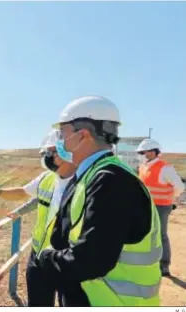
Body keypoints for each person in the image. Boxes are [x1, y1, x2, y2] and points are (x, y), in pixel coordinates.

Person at [36, 95, 162, 306]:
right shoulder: (92, 174)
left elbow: (92, 260)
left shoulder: (112, 181)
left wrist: (47, 259)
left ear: (82, 135)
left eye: (62, 132)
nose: (59, 140)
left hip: (111, 301)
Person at [0, 129, 76, 307]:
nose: (46, 157)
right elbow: (22, 193)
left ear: (66, 151)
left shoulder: (85, 182)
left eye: (50, 152)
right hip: (39, 256)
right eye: (45, 153)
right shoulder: (47, 178)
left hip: (67, 259)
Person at [136, 138, 185, 277]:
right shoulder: (143, 167)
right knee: (146, 234)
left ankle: (164, 265)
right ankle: (149, 260)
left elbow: (179, 187)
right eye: (143, 151)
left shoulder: (165, 168)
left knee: (161, 235)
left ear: (154, 152)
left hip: (162, 207)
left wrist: (170, 199)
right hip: (146, 206)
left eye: (147, 151)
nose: (145, 153)